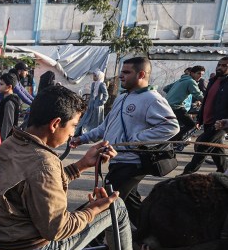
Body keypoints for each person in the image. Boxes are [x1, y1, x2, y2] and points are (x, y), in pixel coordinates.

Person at [0, 68, 169, 250]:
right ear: (55, 124)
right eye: (72, 126)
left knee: (103, 207)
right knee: (117, 206)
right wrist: (94, 211)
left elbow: (34, 188)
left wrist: (81, 165)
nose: (73, 133)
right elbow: (57, 228)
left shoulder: (12, 143)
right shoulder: (43, 162)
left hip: (3, 234)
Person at [71, 57, 179, 226]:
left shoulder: (153, 99)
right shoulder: (122, 98)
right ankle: (154, 235)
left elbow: (171, 126)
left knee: (105, 200)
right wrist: (82, 138)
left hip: (132, 163)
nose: (121, 76)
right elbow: (105, 127)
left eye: (127, 72)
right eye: (122, 72)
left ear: (141, 74)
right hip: (117, 159)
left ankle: (89, 239)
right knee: (131, 204)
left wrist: (136, 141)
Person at [181, 57, 228, 174]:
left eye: (224, 66)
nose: (220, 67)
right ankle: (223, 171)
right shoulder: (213, 81)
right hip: (208, 121)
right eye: (219, 65)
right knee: (217, 150)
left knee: (202, 147)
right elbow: (206, 101)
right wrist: (200, 119)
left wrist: (224, 122)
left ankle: (187, 174)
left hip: (220, 124)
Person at [163, 65, 205, 149]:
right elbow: (198, 95)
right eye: (198, 73)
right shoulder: (191, 81)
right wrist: (209, 102)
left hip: (167, 106)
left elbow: (166, 88)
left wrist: (175, 94)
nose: (200, 76)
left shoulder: (180, 80)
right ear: (192, 73)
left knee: (177, 126)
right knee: (191, 124)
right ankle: (171, 142)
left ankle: (172, 142)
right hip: (176, 107)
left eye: (202, 74)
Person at [77, 70, 109, 136]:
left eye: (94, 76)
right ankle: (83, 131)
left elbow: (106, 95)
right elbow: (92, 94)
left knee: (96, 120)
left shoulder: (102, 84)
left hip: (98, 105)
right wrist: (90, 102)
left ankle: (95, 134)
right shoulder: (93, 84)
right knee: (86, 118)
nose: (93, 77)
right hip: (91, 104)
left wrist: (101, 102)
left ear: (98, 76)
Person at [0, 73, 20, 141]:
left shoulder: (9, 102)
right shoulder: (6, 100)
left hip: (6, 140)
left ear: (9, 87)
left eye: (1, 84)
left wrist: (1, 139)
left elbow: (7, 123)